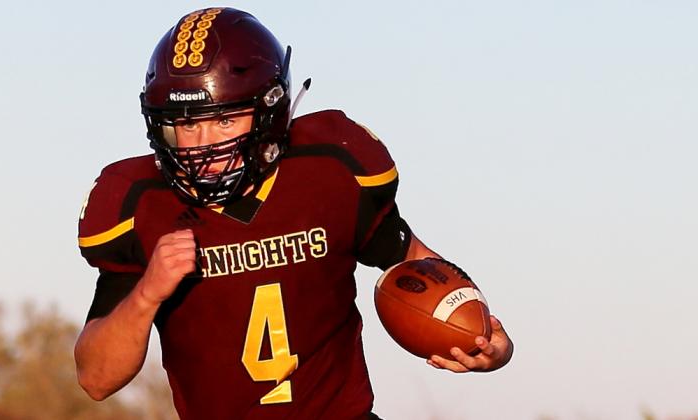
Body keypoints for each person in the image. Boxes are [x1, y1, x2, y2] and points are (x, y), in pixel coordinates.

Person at [74, 7, 513, 419]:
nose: (203, 145)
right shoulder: (141, 204)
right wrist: (147, 294)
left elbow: (415, 263)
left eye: (225, 120)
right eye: (187, 123)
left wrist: (482, 336)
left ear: (270, 110)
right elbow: (96, 379)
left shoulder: (329, 174)